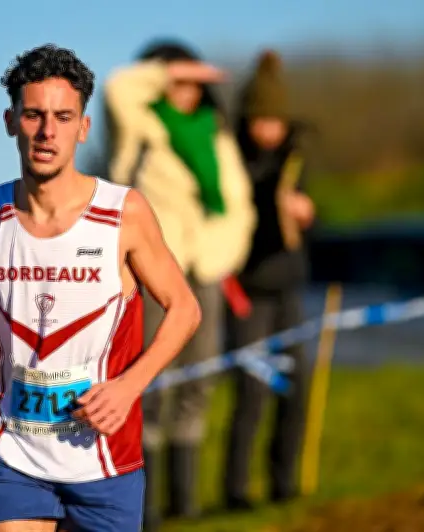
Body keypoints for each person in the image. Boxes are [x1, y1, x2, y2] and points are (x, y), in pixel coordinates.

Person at [0, 44, 202, 532]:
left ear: (83, 127)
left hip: (104, 458)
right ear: (11, 121)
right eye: (34, 115)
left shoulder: (122, 214)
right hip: (15, 453)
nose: (48, 132)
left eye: (63, 117)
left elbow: (184, 309)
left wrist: (129, 387)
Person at [104, 39, 257, 528]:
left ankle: (184, 501)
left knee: (201, 376)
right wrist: (165, 71)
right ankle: (143, 505)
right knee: (148, 379)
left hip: (205, 272)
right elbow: (116, 86)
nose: (189, 90)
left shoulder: (217, 134)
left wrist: (218, 257)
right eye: (180, 80)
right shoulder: (141, 123)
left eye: (196, 82)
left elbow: (238, 204)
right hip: (152, 273)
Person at [222, 49, 316, 510]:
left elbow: (308, 211)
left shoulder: (297, 157)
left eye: (276, 121)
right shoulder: (231, 159)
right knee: (252, 393)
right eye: (262, 120)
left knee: (297, 388)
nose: (270, 130)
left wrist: (306, 211)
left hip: (288, 288)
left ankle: (284, 482)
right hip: (246, 292)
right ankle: (236, 490)